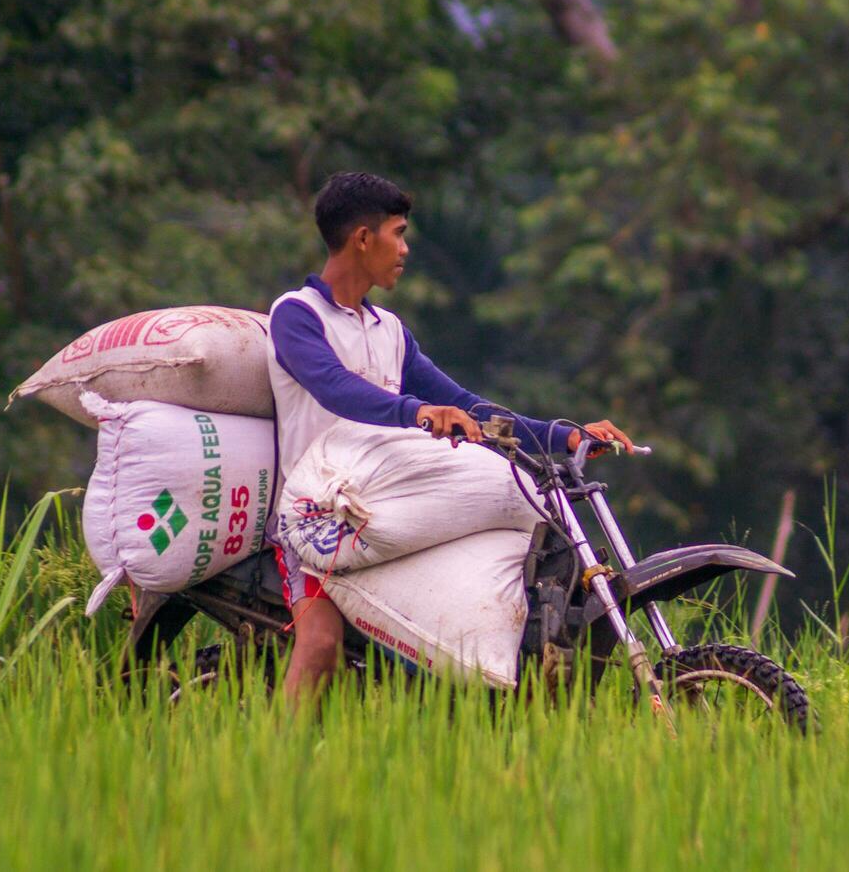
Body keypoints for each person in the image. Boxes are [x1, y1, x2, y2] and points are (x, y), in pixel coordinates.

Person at [266, 171, 633, 703]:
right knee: (322, 642)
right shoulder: (296, 315)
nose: (405, 248)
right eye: (398, 233)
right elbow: (335, 388)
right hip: (319, 520)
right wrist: (417, 413)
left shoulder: (389, 330)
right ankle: (281, 764)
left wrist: (565, 436)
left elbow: (466, 406)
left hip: (392, 510)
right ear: (362, 239)